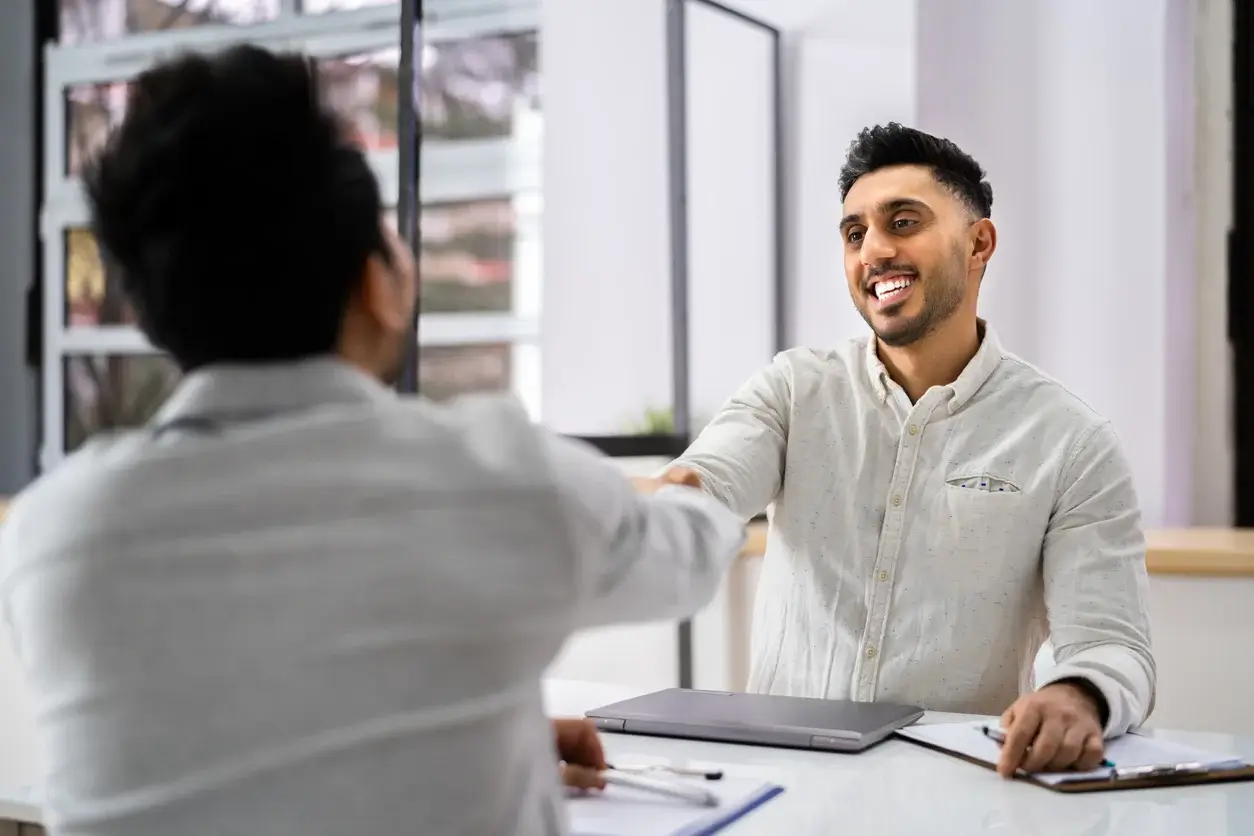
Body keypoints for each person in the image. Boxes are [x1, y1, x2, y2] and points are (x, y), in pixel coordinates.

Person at [0, 46, 745, 836]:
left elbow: (253, 711)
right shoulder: (502, 480)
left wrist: (480, 743)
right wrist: (711, 479)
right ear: (375, 282)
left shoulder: (54, 538)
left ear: (153, 311)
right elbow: (691, 556)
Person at [659, 123, 1155, 777]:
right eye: (855, 233)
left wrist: (1075, 695)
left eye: (904, 222)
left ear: (979, 244)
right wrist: (662, 511)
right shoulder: (793, 390)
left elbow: (1113, 645)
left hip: (961, 792)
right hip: (782, 789)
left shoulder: (1071, 441)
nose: (875, 251)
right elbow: (707, 485)